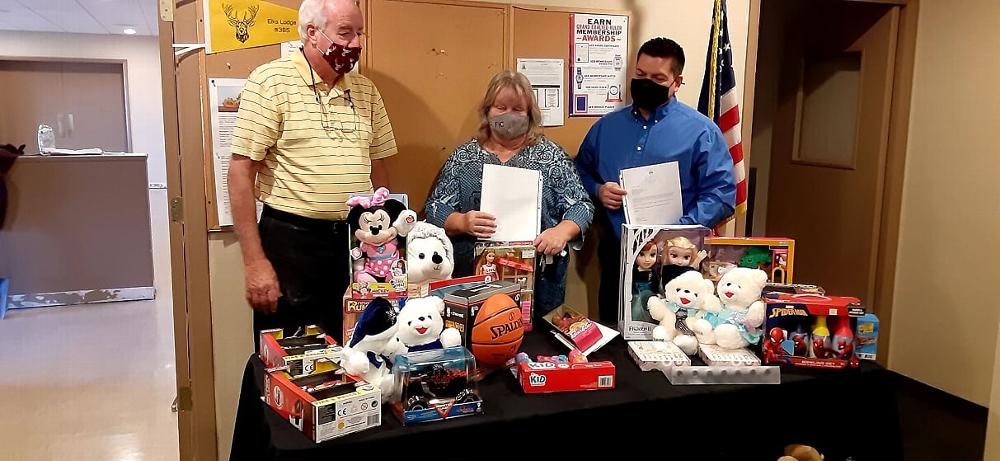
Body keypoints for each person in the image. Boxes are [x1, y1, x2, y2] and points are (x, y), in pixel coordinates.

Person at [228, 0, 397, 343]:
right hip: (292, 245)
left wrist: (386, 243)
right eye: (345, 33)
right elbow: (240, 173)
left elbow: (379, 166)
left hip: (356, 242)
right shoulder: (270, 82)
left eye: (360, 32)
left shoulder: (365, 91)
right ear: (312, 33)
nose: (356, 44)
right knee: (291, 357)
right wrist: (254, 263)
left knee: (358, 346)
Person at [575, 37, 736, 324]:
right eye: (640, 75)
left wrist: (675, 233)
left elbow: (722, 195)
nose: (646, 82)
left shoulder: (702, 132)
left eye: (658, 77)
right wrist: (598, 191)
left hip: (676, 258)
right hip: (618, 253)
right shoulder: (605, 128)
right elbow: (579, 172)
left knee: (675, 333)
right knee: (615, 333)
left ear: (677, 82)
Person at [425, 70, 594, 318]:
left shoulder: (551, 156)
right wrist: (461, 221)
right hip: (474, 277)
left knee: (537, 348)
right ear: (487, 111)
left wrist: (561, 232)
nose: (508, 115)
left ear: (530, 114)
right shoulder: (465, 157)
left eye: (517, 109)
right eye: (500, 107)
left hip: (539, 278)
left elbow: (581, 205)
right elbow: (434, 208)